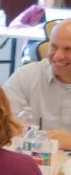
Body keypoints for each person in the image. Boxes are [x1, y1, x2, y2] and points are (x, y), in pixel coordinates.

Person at [5, 19, 71, 149]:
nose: (58, 56)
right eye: (54, 46)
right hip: (33, 164)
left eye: (68, 49)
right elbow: (6, 127)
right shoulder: (25, 77)